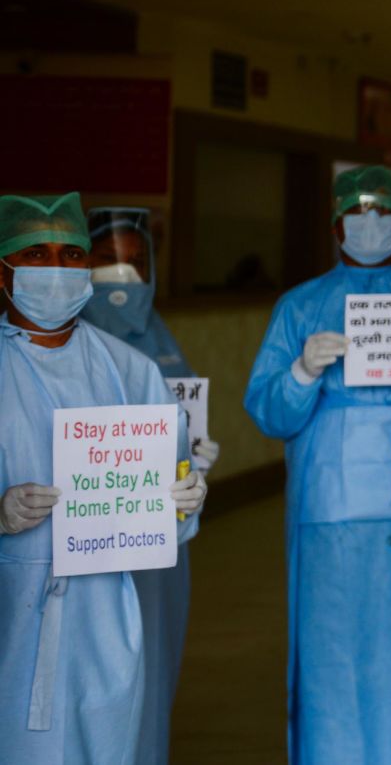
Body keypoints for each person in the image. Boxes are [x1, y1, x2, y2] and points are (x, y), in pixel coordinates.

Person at [243, 166, 391, 763]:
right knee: (329, 650)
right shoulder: (300, 307)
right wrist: (302, 373)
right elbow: (269, 412)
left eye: (383, 211)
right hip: (324, 511)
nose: (371, 223)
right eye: (358, 213)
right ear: (336, 224)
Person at [0, 192, 206, 763]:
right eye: (36, 254)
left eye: (71, 254)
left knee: (108, 743)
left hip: (107, 612)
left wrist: (183, 503)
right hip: (11, 609)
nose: (57, 270)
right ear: (3, 268)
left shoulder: (131, 370)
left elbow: (174, 488)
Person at [82, 206, 219, 765]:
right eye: (104, 260)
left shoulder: (161, 342)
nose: (123, 274)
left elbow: (184, 426)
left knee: (152, 666)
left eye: (136, 261)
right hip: (80, 546)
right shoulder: (45, 349)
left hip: (156, 547)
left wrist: (195, 462)